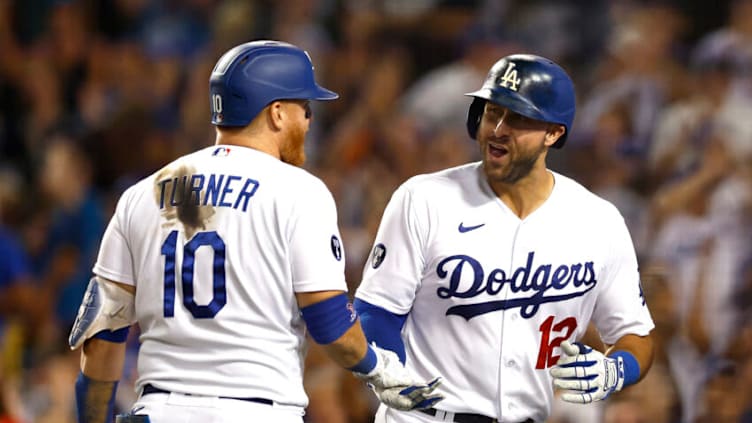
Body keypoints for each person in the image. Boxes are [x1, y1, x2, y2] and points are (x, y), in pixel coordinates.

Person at [67, 40, 443, 423]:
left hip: (160, 409)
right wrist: (379, 368)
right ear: (276, 113)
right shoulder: (299, 191)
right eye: (305, 108)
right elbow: (331, 325)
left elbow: (101, 341)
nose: (309, 121)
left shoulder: (142, 194)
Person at [354, 54, 655, 423]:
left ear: (554, 132)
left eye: (517, 118)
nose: (497, 128)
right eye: (491, 112)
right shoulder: (424, 198)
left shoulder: (599, 220)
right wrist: (386, 368)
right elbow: (377, 309)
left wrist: (615, 370)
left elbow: (636, 337)